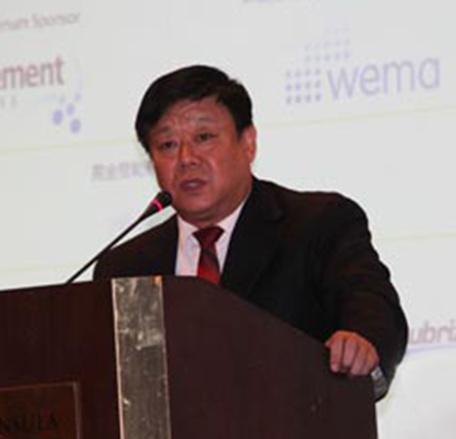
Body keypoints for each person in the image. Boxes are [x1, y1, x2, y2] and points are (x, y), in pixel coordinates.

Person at [93, 65, 407, 395]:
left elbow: (371, 304)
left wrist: (362, 339)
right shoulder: (123, 268)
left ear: (248, 143)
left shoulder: (318, 224)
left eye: (203, 137)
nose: (186, 158)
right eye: (168, 144)